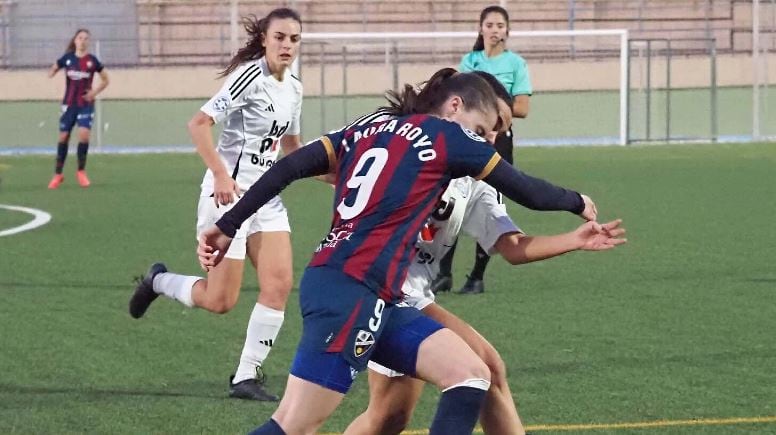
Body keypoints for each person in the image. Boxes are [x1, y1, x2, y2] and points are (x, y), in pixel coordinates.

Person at [198, 68, 597, 435]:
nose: (485, 139)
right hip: (354, 288)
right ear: (454, 106)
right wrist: (577, 201)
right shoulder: (449, 138)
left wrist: (228, 225)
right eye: (483, 128)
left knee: (472, 373)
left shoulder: (371, 128)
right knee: (294, 425)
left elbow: (291, 166)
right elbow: (527, 190)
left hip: (373, 291)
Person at [128, 8, 304, 402]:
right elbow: (199, 123)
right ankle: (157, 281)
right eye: (279, 37)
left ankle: (246, 376)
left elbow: (291, 148)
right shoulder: (250, 77)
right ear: (265, 39)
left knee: (279, 284)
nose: (287, 45)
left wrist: (333, 174)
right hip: (227, 197)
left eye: (293, 38)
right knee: (220, 300)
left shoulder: (294, 87)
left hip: (267, 198)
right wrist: (222, 176)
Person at [432, 5, 533, 295]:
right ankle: (443, 273)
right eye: (490, 25)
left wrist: (493, 105)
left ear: (507, 30)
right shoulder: (470, 60)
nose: (495, 30)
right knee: (453, 202)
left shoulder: (515, 64)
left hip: (498, 140)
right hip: (465, 137)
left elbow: (523, 108)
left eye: (500, 25)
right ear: (481, 29)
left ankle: (477, 276)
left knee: (489, 204)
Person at [47, 28, 109, 189]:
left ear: (88, 42)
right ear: (75, 41)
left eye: (86, 38)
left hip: (85, 105)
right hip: (69, 104)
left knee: (84, 135)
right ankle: (58, 174)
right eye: (80, 38)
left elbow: (106, 79)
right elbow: (54, 68)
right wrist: (52, 70)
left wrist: (94, 92)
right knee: (63, 137)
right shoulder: (67, 59)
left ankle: (81, 172)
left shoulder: (92, 61)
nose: (82, 41)